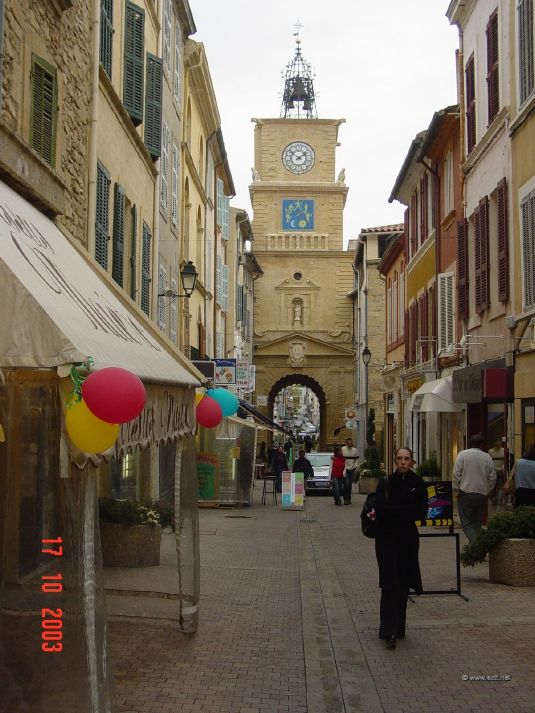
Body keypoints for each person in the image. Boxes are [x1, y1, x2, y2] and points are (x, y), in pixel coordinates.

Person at [374, 447, 428, 649]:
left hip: (408, 540)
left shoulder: (418, 484)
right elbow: (381, 511)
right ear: (395, 461)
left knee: (404, 582)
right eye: (399, 458)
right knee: (389, 583)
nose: (403, 462)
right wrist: (405, 511)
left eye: (406, 459)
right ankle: (387, 631)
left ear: (412, 462)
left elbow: (421, 513)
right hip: (386, 540)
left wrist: (394, 511)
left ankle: (399, 628)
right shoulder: (385, 483)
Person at [452, 434, 496, 543]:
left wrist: (456, 490)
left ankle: (478, 547)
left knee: (467, 524)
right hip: (481, 495)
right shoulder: (487, 457)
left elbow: (456, 474)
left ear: (469, 444)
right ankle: (479, 548)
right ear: (481, 445)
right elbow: (493, 477)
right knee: (477, 523)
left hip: (465, 493)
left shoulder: (462, 455)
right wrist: (487, 490)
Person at [341, 437, 359, 505]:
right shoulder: (342, 449)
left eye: (350, 443)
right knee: (346, 484)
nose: (349, 444)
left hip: (352, 469)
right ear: (346, 443)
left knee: (350, 485)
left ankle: (349, 498)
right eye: (348, 443)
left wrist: (355, 466)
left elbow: (357, 459)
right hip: (345, 469)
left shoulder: (355, 450)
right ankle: (345, 499)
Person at [488, 438, 505, 504]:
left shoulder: (503, 450)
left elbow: (504, 461)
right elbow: (489, 462)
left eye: (499, 442)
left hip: (500, 471)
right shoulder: (490, 451)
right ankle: (494, 499)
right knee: (492, 487)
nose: (498, 443)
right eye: (496, 442)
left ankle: (498, 500)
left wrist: (503, 469)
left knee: (500, 486)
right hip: (493, 471)